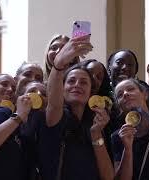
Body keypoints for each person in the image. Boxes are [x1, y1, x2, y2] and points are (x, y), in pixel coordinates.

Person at [37, 34, 114, 180]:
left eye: (84, 82)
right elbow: (54, 104)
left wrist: (96, 134)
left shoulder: (94, 124)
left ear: (91, 92)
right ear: (62, 88)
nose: (77, 85)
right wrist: (59, 64)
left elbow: (108, 176)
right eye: (71, 81)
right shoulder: (56, 117)